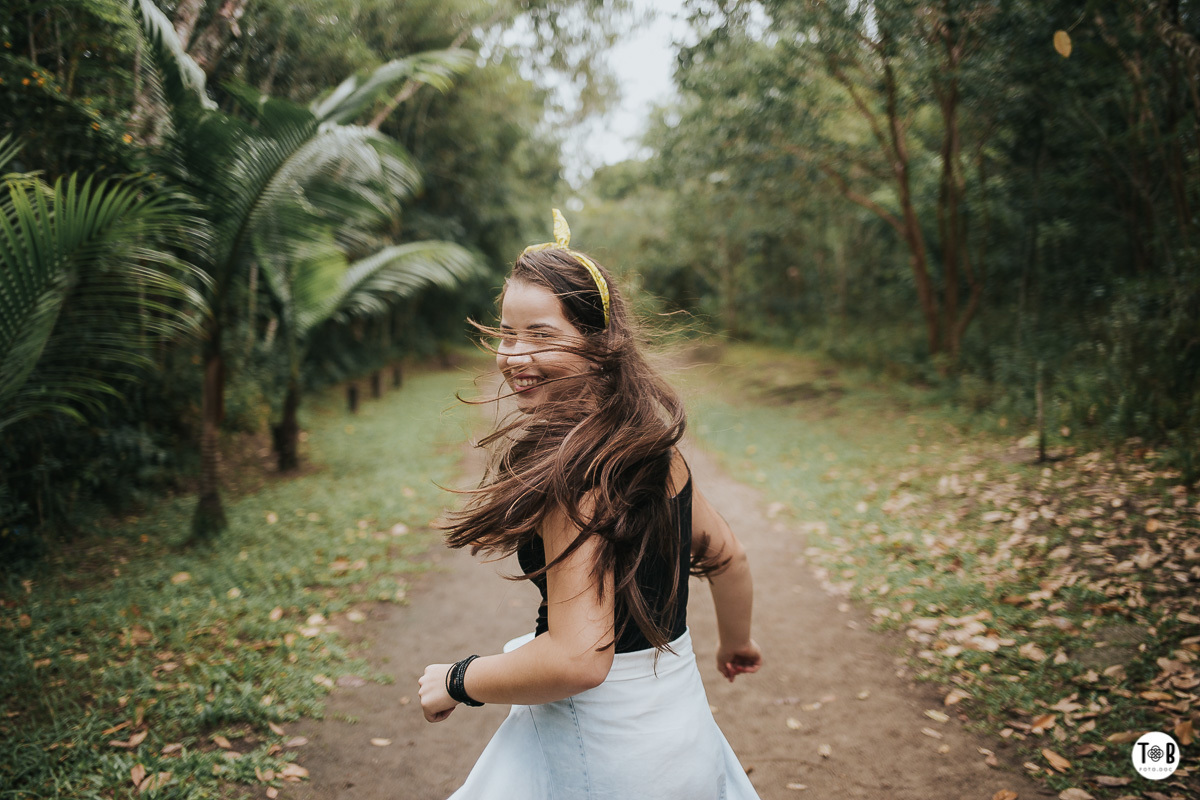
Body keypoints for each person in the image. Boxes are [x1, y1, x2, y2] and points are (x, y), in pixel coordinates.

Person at [418, 210, 763, 799]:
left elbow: (580, 658)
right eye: (507, 333)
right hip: (681, 734)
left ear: (600, 342)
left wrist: (458, 680)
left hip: (605, 754)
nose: (514, 355)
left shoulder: (575, 474)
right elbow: (728, 559)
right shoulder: (654, 450)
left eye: (541, 334)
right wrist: (737, 643)